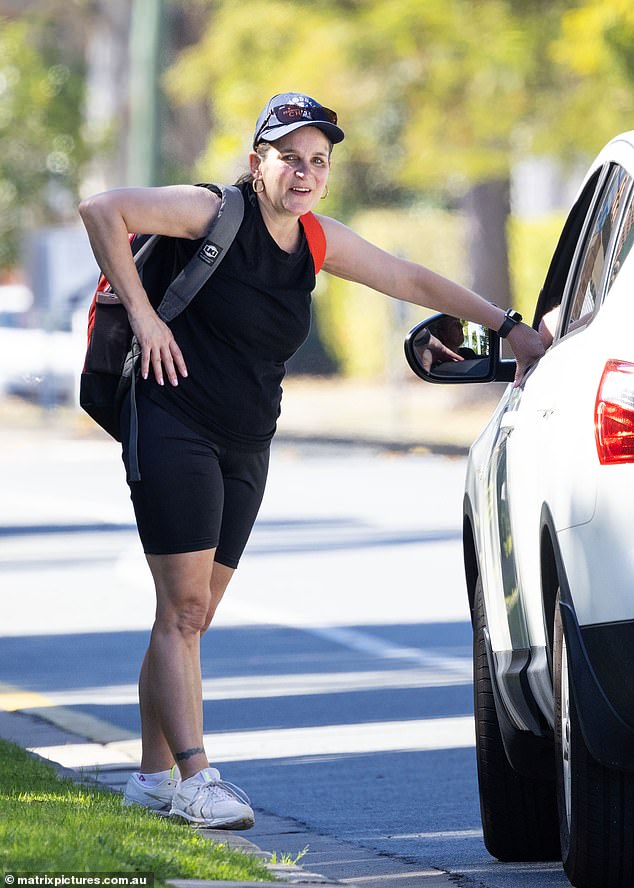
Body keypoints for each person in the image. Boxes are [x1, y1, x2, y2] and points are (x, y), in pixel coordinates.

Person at [78, 91, 545, 830]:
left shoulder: (316, 241)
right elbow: (105, 209)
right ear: (257, 159)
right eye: (289, 157)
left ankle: (151, 778)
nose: (304, 172)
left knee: (189, 620)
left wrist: (509, 328)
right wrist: (143, 315)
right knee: (186, 608)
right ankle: (198, 777)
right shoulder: (211, 211)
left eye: (318, 162)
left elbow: (410, 278)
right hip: (171, 420)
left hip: (248, 439)